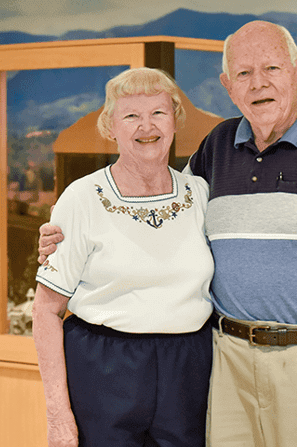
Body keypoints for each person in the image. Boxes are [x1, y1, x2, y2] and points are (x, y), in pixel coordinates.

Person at [38, 21, 297, 447]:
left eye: (271, 68)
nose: (258, 84)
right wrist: (60, 238)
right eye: (243, 74)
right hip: (226, 364)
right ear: (228, 86)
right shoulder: (215, 150)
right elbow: (157, 210)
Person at [32, 67, 215, 447]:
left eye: (158, 113)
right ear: (110, 127)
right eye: (131, 115)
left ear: (175, 121)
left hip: (189, 369)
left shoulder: (200, 194)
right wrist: (57, 413)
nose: (146, 126)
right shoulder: (81, 199)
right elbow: (45, 311)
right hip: (102, 368)